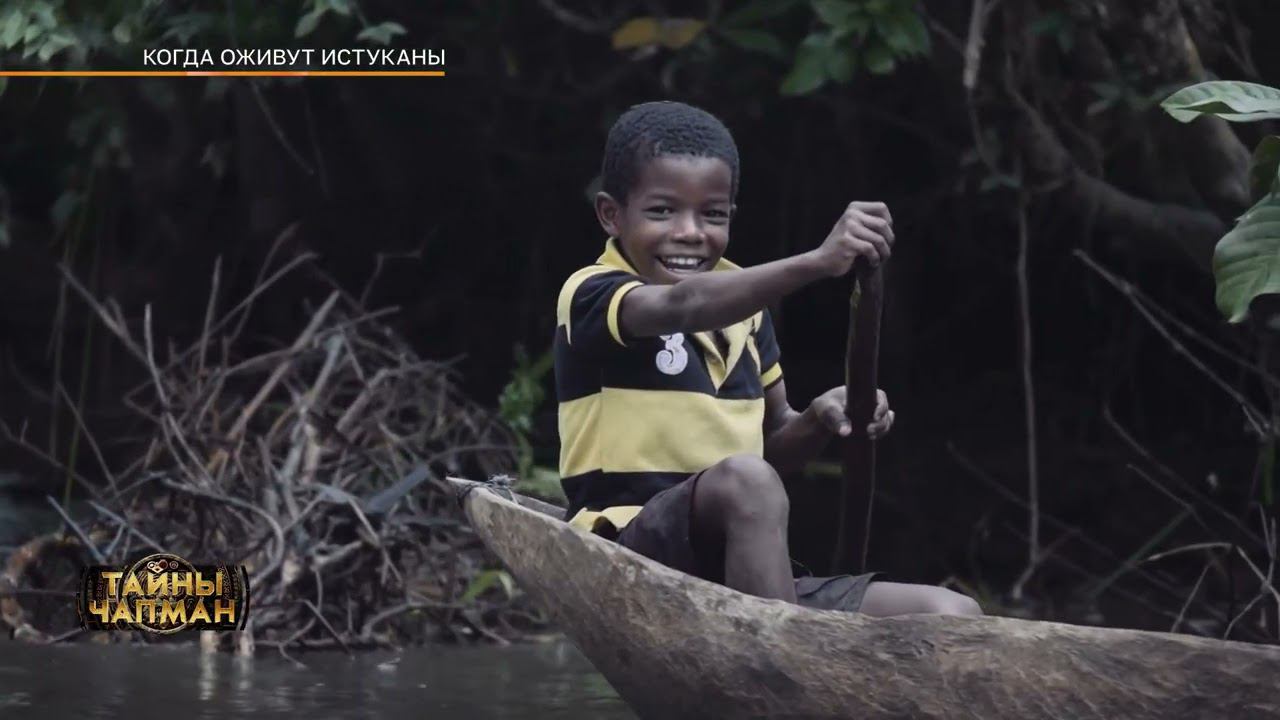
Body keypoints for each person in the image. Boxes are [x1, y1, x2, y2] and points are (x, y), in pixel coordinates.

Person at [553, 101, 980, 617]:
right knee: (746, 479)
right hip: (629, 548)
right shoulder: (592, 293)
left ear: (731, 217)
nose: (690, 232)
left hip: (742, 570)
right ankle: (787, 655)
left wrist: (822, 418)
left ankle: (789, 642)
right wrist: (819, 262)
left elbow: (774, 450)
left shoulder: (747, 315)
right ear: (611, 215)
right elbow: (682, 306)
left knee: (949, 614)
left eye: (712, 214)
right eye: (662, 211)